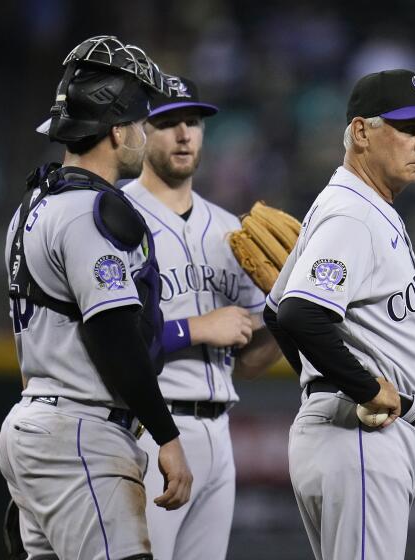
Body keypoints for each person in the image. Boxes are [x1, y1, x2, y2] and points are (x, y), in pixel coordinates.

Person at [0, 36, 193, 559]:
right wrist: (167, 435)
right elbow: (111, 333)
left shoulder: (31, 207)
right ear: (114, 130)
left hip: (36, 421)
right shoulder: (87, 211)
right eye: (139, 124)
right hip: (79, 433)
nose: (144, 136)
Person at [263, 69, 415, 559]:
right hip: (361, 434)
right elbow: (298, 314)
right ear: (361, 132)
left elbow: (275, 311)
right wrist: (362, 386)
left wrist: (322, 382)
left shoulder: (355, 204)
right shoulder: (353, 213)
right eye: (408, 129)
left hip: (346, 430)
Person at [122, 75, 281, 559]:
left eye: (192, 121)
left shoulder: (231, 230)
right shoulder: (117, 214)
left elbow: (248, 364)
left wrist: (281, 311)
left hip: (219, 431)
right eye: (167, 123)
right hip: (151, 426)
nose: (184, 134)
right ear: (140, 131)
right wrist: (196, 327)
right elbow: (108, 338)